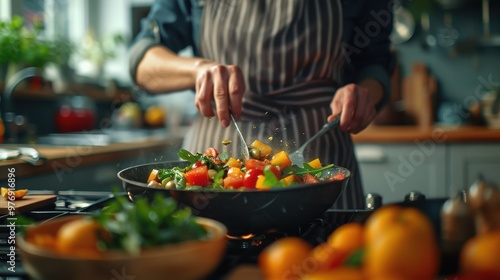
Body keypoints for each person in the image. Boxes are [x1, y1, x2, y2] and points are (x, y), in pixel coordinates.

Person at [129, 0, 394, 209]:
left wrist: (366, 92)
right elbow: (141, 63)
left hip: (321, 147)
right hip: (217, 145)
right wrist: (197, 70)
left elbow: (376, 62)